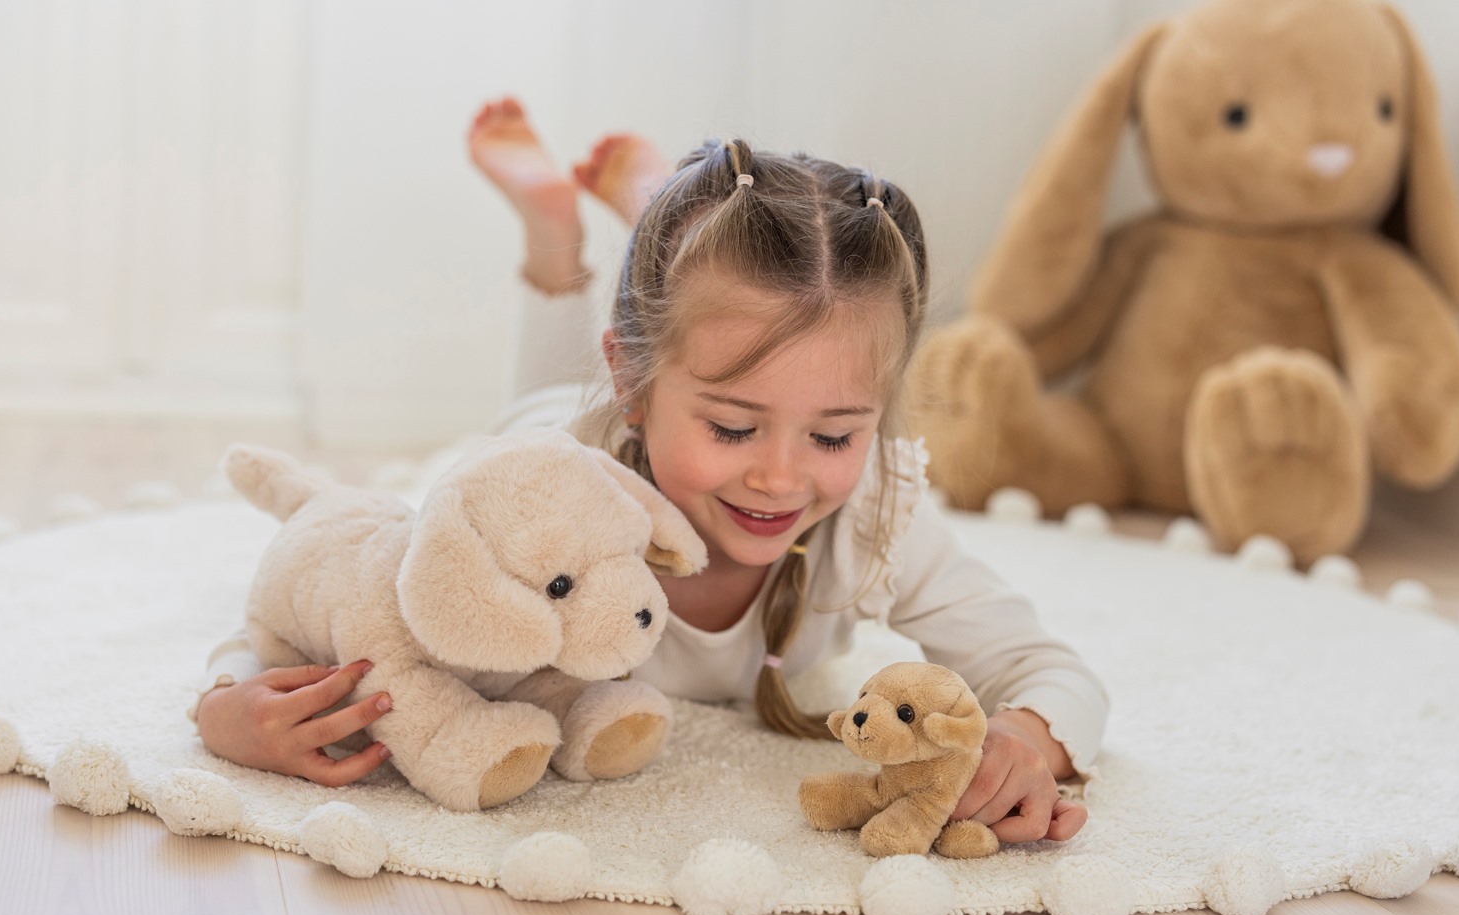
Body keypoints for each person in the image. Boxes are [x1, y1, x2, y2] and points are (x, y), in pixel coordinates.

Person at [195, 97, 1104, 843]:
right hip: (558, 446)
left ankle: (653, 206)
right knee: (539, 404)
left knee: (657, 346)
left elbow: (1051, 670)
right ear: (631, 385)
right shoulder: (532, 495)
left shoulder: (874, 516)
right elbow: (341, 601)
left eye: (833, 436)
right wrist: (226, 701)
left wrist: (1025, 737)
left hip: (639, 385)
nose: (781, 478)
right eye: (735, 426)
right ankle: (558, 240)